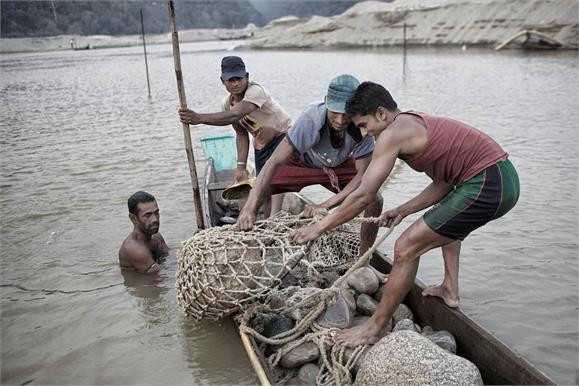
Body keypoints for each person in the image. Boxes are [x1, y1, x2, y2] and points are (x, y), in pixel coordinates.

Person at [292, 81, 520, 347]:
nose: (364, 134)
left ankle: (373, 329)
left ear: (381, 113)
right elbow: (443, 184)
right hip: (502, 179)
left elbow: (365, 194)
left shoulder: (392, 133)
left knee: (405, 248)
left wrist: (319, 227)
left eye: (364, 125)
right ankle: (450, 289)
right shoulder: (410, 124)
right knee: (442, 215)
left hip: (490, 183)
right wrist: (403, 210)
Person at [237, 75, 383, 256]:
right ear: (326, 104)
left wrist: (325, 205)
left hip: (338, 165)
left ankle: (364, 259)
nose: (340, 120)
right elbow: (273, 162)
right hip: (303, 162)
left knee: (375, 198)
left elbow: (363, 176)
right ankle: (263, 238)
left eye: (346, 113)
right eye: (334, 112)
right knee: (264, 187)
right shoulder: (311, 118)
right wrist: (249, 208)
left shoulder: (362, 125)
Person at [178, 56, 292, 216]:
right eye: (230, 80)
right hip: (262, 144)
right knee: (263, 189)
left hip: (284, 137)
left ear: (247, 77)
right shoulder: (227, 103)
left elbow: (234, 115)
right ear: (223, 81)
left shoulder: (256, 91)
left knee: (276, 182)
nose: (235, 83)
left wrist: (199, 118)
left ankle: (275, 219)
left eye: (239, 78)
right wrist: (241, 167)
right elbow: (241, 133)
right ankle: (268, 222)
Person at [119, 191, 169, 273]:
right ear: (133, 218)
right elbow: (162, 276)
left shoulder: (156, 235)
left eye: (156, 213)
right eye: (148, 215)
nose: (155, 219)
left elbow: (170, 256)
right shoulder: (134, 248)